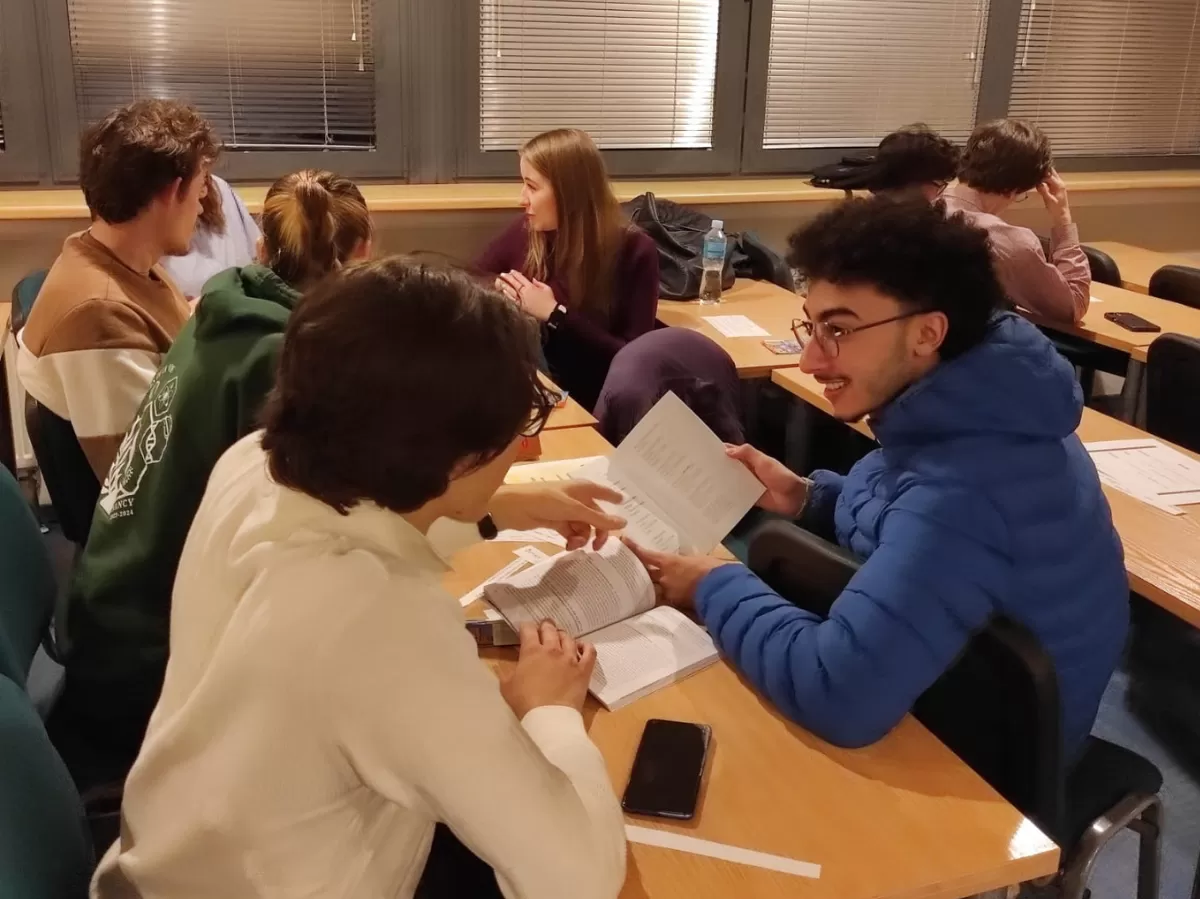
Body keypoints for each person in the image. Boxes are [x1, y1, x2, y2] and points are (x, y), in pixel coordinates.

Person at [92, 259, 628, 899]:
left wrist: (491, 508)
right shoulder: (378, 616)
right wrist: (550, 711)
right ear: (458, 459)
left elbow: (359, 523)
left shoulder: (255, 464)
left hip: (165, 861)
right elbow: (577, 881)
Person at [624, 197, 1128, 758]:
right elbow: (902, 512)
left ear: (927, 333)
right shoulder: (988, 401)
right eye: (811, 327)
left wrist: (710, 583)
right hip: (949, 687)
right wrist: (806, 498)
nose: (811, 361)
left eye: (838, 330)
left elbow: (839, 695)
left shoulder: (964, 492)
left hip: (989, 763)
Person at [49, 170, 373, 782]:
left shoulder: (222, 311)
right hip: (155, 660)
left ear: (260, 248)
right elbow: (323, 519)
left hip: (114, 608)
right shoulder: (282, 357)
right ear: (363, 253)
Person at [17, 99, 216, 480]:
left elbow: (162, 345)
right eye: (201, 188)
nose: (203, 204)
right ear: (172, 192)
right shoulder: (100, 315)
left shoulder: (112, 255)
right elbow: (147, 481)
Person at [475, 128, 659, 411]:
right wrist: (498, 287)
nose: (522, 198)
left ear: (568, 193)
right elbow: (472, 278)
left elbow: (634, 361)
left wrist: (555, 315)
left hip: (593, 399)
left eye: (532, 187)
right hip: (532, 393)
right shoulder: (527, 231)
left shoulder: (634, 251)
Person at [942, 119, 1090, 324]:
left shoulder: (921, 209)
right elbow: (1072, 306)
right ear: (1016, 188)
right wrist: (1063, 218)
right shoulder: (1007, 240)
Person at [594, 328, 743, 446]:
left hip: (708, 361)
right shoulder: (604, 417)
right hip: (658, 356)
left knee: (726, 452)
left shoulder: (636, 407)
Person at [160, 173, 261, 298]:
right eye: (201, 183)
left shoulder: (221, 190)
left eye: (205, 179)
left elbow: (255, 256)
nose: (204, 192)